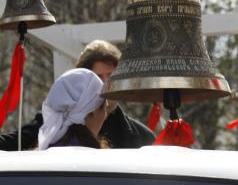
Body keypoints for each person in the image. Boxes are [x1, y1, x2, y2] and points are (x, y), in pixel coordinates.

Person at [0, 40, 154, 150]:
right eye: (98, 77)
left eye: (112, 76)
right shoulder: (51, 123)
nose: (106, 84)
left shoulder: (142, 136)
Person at [38, 68, 108, 150]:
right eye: (105, 108)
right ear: (93, 112)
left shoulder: (39, 154)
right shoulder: (98, 160)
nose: (105, 115)